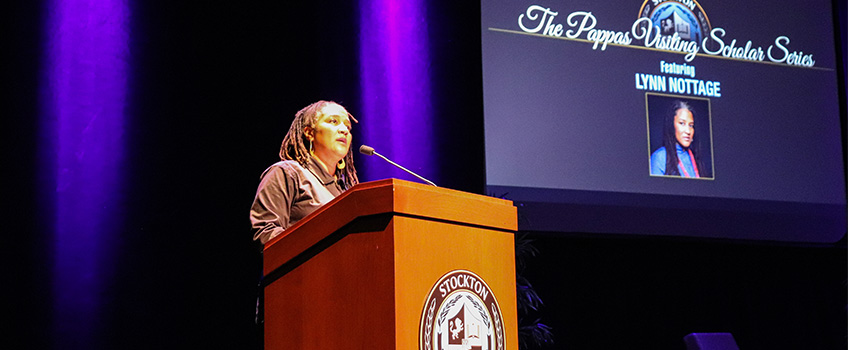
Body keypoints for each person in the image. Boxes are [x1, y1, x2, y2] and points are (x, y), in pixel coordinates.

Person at [250, 100, 359, 244]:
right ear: (309, 133)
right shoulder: (287, 173)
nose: (344, 130)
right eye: (333, 121)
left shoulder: (347, 191)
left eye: (347, 126)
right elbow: (266, 230)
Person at [650, 100, 707, 178]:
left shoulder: (695, 158)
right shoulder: (659, 157)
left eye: (691, 125)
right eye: (682, 123)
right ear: (671, 125)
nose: (688, 131)